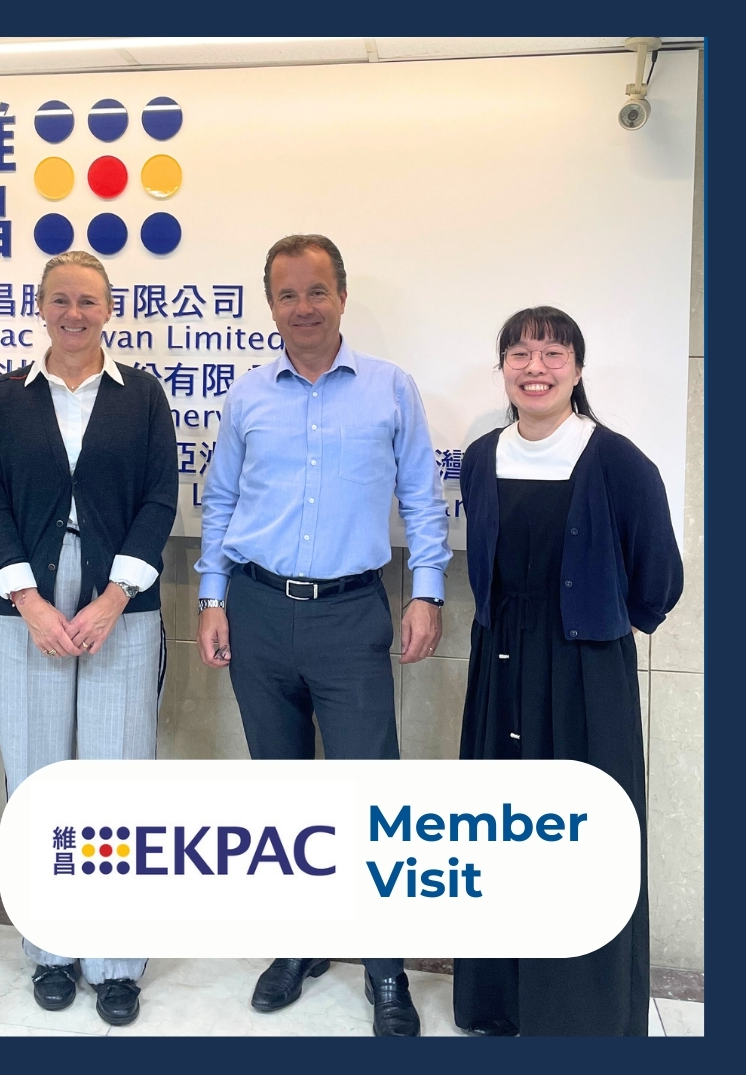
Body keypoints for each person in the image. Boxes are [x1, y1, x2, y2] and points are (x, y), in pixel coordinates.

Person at [195, 234, 451, 1037]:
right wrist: (211, 596)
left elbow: (422, 497)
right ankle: (298, 944)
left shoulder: (389, 389)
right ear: (270, 304)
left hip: (351, 613)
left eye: (316, 291)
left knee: (370, 798)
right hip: (258, 608)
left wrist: (428, 592)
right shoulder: (248, 396)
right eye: (287, 294)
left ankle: (385, 970)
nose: (302, 307)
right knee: (283, 796)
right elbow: (221, 500)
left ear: (341, 295)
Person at [452, 306, 683, 1037]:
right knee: (499, 831)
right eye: (520, 353)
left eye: (554, 353)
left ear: (578, 370)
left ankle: (581, 1016)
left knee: (583, 838)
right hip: (500, 665)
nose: (536, 367)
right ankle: (501, 1003)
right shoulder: (483, 456)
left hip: (585, 669)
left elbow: (659, 577)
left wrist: (598, 622)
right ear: (502, 370)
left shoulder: (616, 460)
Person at [0, 250, 178, 1028]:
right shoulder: (6, 398)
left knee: (115, 786)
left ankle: (116, 963)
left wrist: (115, 597)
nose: (74, 313)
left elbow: (160, 499)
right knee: (39, 783)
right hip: (26, 602)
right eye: (60, 299)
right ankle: (51, 951)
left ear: (109, 309)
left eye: (88, 300)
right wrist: (28, 602)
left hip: (120, 600)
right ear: (41, 307)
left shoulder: (141, 395)